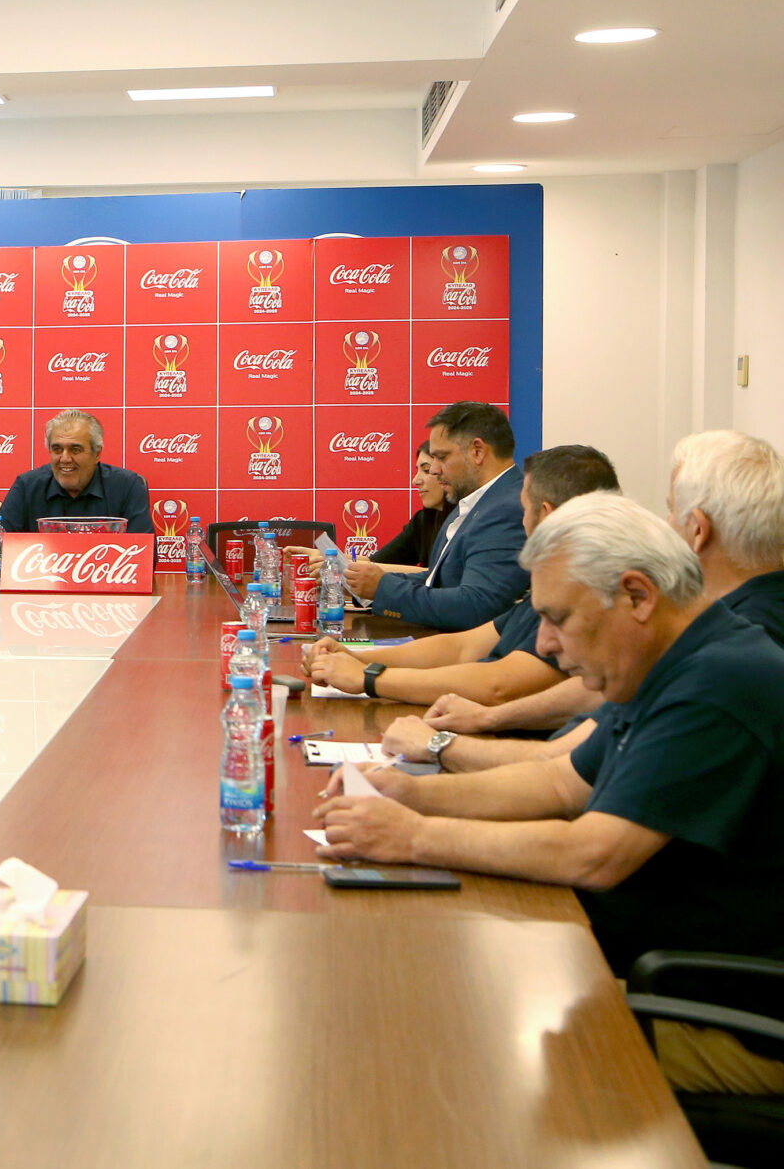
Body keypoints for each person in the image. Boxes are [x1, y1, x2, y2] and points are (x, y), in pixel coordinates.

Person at [315, 492, 784, 1096]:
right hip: (648, 968)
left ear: (637, 596)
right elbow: (560, 782)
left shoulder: (718, 682)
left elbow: (593, 854)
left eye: (559, 618)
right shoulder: (679, 657)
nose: (545, 644)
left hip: (721, 1017)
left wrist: (414, 837)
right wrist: (409, 793)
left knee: (458, 1048)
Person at [405, 429, 784, 773]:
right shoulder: (733, 620)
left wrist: (442, 743)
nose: (665, 524)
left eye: (670, 509)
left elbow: (568, 774)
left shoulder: (735, 644)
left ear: (698, 531)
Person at [302, 445, 617, 768]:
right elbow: (462, 647)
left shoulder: (584, 593)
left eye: (523, 510)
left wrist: (369, 678)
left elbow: (499, 684)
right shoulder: (555, 583)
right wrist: (355, 657)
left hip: (507, 758)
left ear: (547, 515)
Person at [345, 402, 527, 630]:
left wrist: (383, 588)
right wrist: (362, 586)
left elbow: (475, 607)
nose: (434, 469)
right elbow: (437, 581)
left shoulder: (508, 509)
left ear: (477, 451)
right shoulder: (472, 504)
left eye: (442, 457)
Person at [0, 410, 155, 535]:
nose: (65, 458)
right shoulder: (27, 486)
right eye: (57, 449)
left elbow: (145, 556)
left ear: (97, 454)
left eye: (75, 449)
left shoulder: (128, 486)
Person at [307, 443, 453, 579]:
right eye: (417, 470)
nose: (415, 480)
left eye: (426, 470)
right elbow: (377, 561)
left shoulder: (464, 522)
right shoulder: (423, 521)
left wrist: (344, 566)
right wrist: (326, 556)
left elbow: (437, 577)